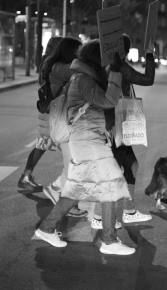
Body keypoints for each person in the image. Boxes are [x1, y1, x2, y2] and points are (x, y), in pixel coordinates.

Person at [34, 42, 134, 256]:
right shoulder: (84, 79)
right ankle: (108, 239)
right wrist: (115, 73)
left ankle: (47, 227)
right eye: (106, 61)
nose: (108, 65)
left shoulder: (82, 77)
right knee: (111, 183)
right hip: (87, 141)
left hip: (88, 139)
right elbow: (109, 100)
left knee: (78, 187)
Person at [99, 34, 155, 227]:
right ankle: (100, 217)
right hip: (117, 124)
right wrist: (149, 55)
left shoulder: (103, 66)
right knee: (113, 170)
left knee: (132, 165)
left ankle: (129, 211)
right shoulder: (119, 67)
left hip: (115, 122)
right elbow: (147, 79)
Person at [39, 37, 87, 219]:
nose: (81, 53)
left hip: (70, 120)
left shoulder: (61, 66)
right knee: (73, 167)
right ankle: (58, 194)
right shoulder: (62, 68)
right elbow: (85, 72)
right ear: (71, 51)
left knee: (74, 166)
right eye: (79, 50)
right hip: (66, 122)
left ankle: (62, 194)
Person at [17, 36, 63, 193]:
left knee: (42, 145)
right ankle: (66, 186)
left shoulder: (46, 62)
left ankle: (26, 176)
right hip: (54, 112)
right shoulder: (53, 64)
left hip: (49, 110)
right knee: (67, 146)